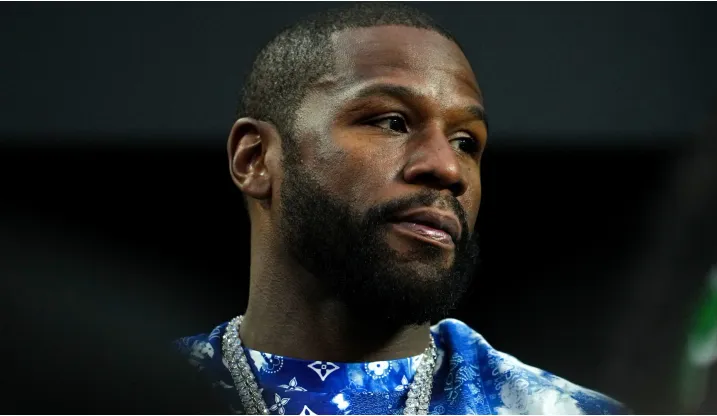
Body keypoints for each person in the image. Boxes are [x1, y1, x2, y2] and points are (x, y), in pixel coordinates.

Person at [176, 3, 627, 415]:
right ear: (255, 159)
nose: (448, 168)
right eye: (392, 122)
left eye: (466, 143)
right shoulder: (127, 395)